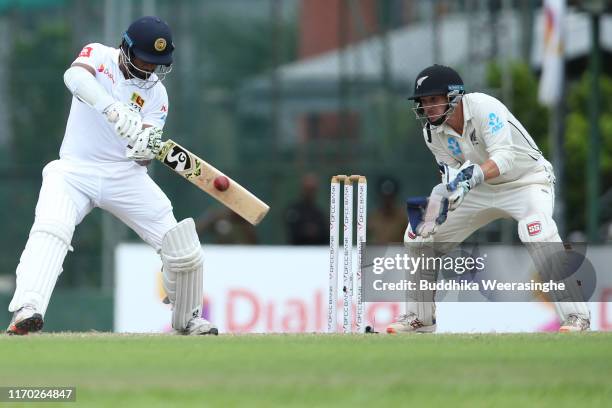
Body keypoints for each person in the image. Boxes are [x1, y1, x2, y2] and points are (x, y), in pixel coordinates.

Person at [6, 16, 217, 336]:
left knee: (182, 247)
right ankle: (28, 309)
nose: (149, 69)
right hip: (75, 170)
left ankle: (187, 318)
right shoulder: (99, 55)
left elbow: (145, 156)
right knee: (51, 230)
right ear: (126, 49)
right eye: (145, 60)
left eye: (157, 64)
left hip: (125, 175)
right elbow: (74, 77)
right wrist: (112, 108)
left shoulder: (157, 95)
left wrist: (144, 146)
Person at [386, 64, 590, 334]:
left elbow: (504, 158)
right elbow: (450, 174)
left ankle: (577, 317)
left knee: (535, 229)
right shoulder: (431, 132)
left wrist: (470, 179)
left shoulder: (485, 107)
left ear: (455, 96)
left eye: (434, 100)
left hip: (526, 181)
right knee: (418, 235)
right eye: (424, 102)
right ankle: (420, 318)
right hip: (479, 189)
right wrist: (447, 198)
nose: (428, 107)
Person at [284, 173, 328, 245]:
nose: (310, 193)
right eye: (307, 189)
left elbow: (325, 235)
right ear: (302, 189)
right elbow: (292, 232)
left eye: (312, 190)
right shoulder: (293, 210)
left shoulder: (319, 212)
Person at [368, 176, 407, 244]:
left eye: (390, 197)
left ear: (395, 196)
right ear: (379, 196)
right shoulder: (372, 219)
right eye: (385, 197)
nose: (387, 200)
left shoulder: (403, 218)